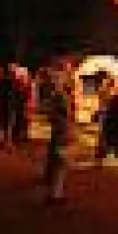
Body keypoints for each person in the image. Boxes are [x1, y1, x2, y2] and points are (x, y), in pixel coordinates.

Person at [43, 64, 76, 203]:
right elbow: (64, 113)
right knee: (61, 161)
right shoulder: (60, 96)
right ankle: (55, 194)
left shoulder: (56, 95)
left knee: (58, 159)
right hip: (61, 131)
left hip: (59, 130)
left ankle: (55, 190)